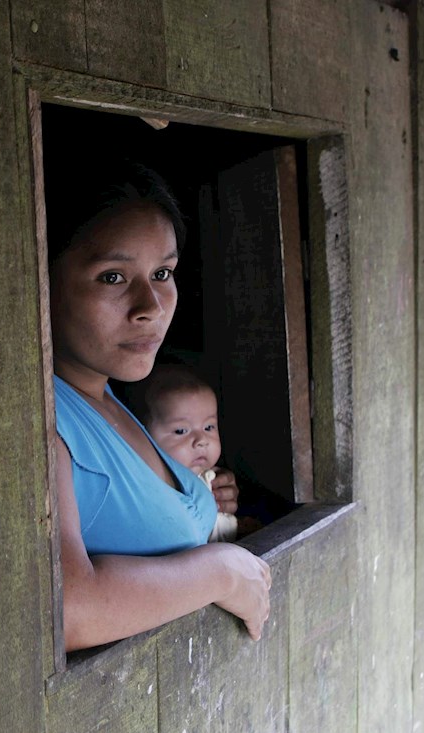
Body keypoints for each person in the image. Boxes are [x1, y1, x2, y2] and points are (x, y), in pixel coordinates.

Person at [48, 161, 271, 652]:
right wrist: (222, 573)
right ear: (44, 280)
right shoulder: (46, 420)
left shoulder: (107, 396)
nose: (149, 304)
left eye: (162, 272)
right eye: (112, 276)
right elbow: (64, 611)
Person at [129, 365, 239, 542]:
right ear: (142, 437)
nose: (201, 440)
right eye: (181, 431)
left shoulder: (213, 480)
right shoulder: (147, 491)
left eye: (208, 427)